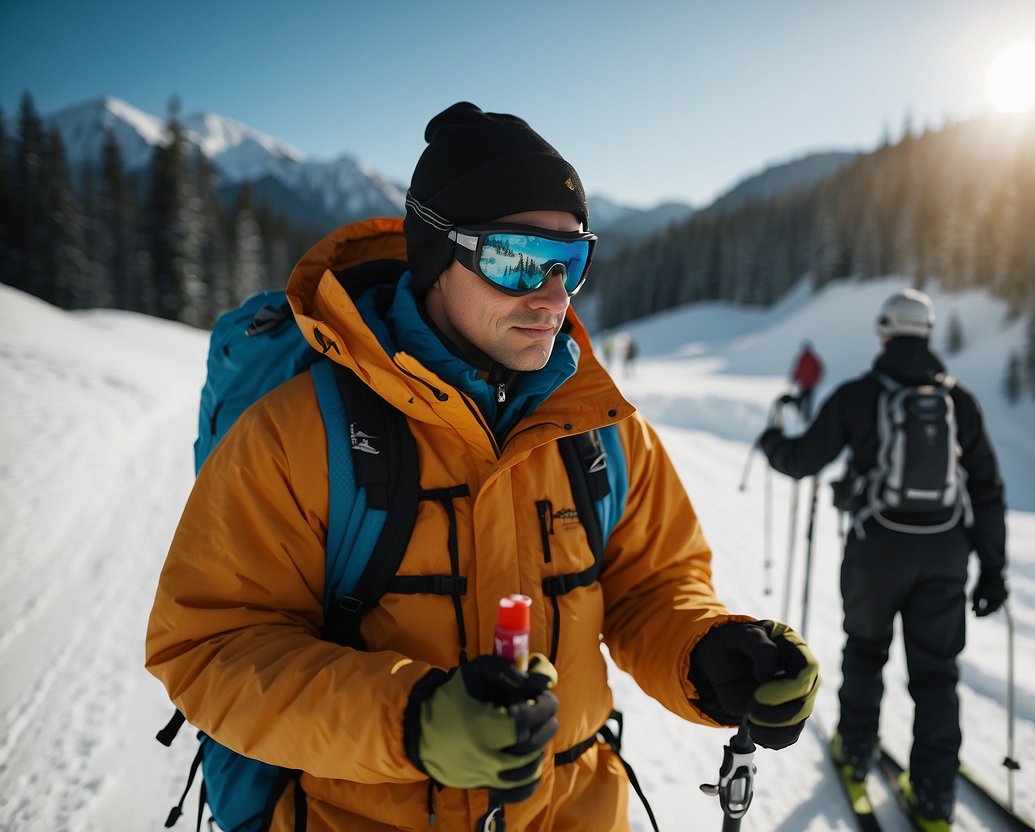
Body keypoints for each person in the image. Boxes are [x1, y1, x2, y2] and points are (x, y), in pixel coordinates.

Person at [146, 102, 821, 832]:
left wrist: (705, 649)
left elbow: (653, 583)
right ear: (437, 259)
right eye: (518, 261)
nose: (554, 297)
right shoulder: (299, 433)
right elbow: (210, 649)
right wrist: (415, 723)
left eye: (571, 261)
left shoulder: (603, 429)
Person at [758, 288, 1008, 831]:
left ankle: (856, 750)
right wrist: (993, 569)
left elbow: (801, 460)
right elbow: (986, 487)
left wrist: (772, 438)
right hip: (946, 552)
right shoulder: (958, 401)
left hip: (877, 550)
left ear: (885, 332)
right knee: (937, 675)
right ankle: (936, 795)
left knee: (867, 651)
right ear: (928, 333)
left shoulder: (858, 395)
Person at [788, 340, 824, 421]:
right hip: (805, 384)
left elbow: (819, 369)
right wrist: (794, 378)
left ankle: (807, 418)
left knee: (806, 402)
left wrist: (816, 379)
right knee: (804, 401)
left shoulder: (810, 358)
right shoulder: (805, 358)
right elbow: (798, 370)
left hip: (809, 385)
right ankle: (805, 417)